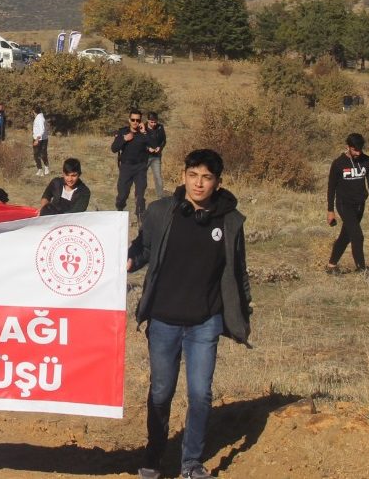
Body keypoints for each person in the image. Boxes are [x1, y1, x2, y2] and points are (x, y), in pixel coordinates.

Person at [127, 149, 252, 479]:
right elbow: (143, 248)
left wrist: (243, 315)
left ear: (217, 183)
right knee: (160, 392)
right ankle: (153, 458)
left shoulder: (229, 221)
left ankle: (191, 463)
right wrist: (129, 260)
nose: (199, 183)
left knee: (200, 394)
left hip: (204, 322)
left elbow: (238, 272)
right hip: (164, 319)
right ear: (182, 177)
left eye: (207, 177)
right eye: (193, 175)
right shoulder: (161, 212)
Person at [326, 133, 369, 273]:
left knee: (346, 236)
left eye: (360, 149)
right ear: (348, 147)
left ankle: (331, 265)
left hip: (359, 204)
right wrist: (330, 210)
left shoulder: (366, 160)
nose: (358, 153)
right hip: (344, 204)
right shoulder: (338, 163)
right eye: (354, 150)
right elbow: (331, 187)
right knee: (357, 236)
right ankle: (362, 269)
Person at [112, 109, 152, 217]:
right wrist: (124, 139)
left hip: (140, 167)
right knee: (122, 195)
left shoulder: (144, 133)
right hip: (126, 167)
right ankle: (119, 211)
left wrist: (144, 132)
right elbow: (114, 148)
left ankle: (140, 217)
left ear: (140, 121)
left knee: (140, 195)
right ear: (129, 120)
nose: (135, 122)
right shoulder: (123, 132)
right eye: (133, 119)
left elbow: (153, 145)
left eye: (137, 120)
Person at [145, 113, 166, 199]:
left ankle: (160, 197)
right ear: (148, 120)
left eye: (155, 122)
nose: (154, 124)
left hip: (156, 156)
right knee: (141, 176)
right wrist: (147, 148)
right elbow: (139, 141)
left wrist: (160, 147)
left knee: (158, 177)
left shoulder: (160, 127)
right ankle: (140, 194)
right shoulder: (143, 128)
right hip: (145, 156)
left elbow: (164, 140)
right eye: (152, 122)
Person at [31, 104, 50, 176]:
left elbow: (42, 129)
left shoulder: (40, 118)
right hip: (41, 138)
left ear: (33, 111)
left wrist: (37, 139)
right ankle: (40, 169)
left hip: (40, 139)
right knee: (38, 154)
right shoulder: (40, 117)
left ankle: (45, 167)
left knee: (40, 154)